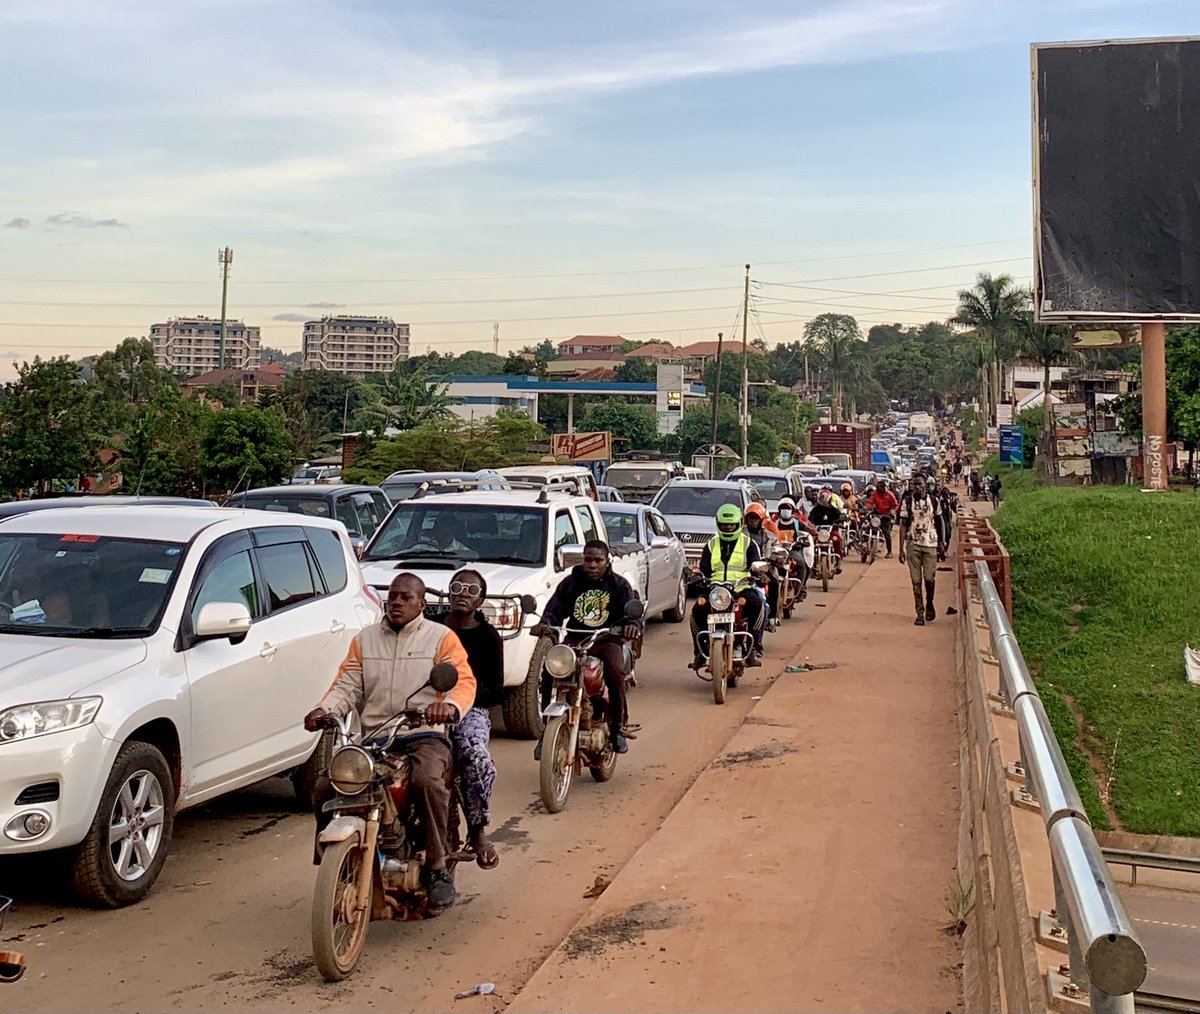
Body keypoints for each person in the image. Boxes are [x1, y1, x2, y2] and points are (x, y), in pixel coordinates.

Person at [304, 573, 476, 909]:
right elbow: (348, 684)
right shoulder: (365, 639)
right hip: (375, 736)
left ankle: (437, 867)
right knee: (327, 786)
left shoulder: (441, 638)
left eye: (405, 597)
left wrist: (449, 706)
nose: (396, 602)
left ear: (421, 603)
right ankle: (333, 862)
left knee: (428, 782)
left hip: (422, 734)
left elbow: (463, 682)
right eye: (392, 596)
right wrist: (324, 709)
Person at [537, 540, 643, 754]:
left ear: (607, 561)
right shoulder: (571, 583)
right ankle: (546, 730)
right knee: (550, 671)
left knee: (615, 673)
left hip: (607, 640)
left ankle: (616, 730)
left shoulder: (619, 585)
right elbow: (554, 609)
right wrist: (546, 623)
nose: (592, 565)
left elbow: (632, 614)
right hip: (576, 640)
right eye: (588, 560)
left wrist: (631, 625)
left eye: (598, 560)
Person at [437, 569, 502, 870]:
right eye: (457, 587)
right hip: (424, 708)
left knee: (477, 759)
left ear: (480, 601)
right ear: (448, 593)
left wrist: (460, 701)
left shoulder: (488, 637)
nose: (463, 593)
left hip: (469, 710)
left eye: (471, 590)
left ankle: (477, 831)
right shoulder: (431, 628)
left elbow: (495, 690)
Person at [690, 503, 767, 669]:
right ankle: (699, 653)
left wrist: (759, 574)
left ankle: (753, 648)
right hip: (716, 591)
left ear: (739, 524)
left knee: (758, 605)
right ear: (718, 524)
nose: (728, 528)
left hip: (741, 589)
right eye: (725, 525)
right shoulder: (711, 544)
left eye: (731, 525)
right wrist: (697, 577)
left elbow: (756, 564)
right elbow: (703, 568)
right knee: (697, 609)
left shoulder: (749, 544)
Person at [898, 476, 944, 626]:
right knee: (916, 581)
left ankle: (929, 602)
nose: (916, 487)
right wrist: (901, 549)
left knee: (929, 579)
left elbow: (939, 520)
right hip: (913, 545)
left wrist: (942, 542)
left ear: (925, 486)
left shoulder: (934, 500)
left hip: (930, 544)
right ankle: (920, 612)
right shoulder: (907, 502)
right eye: (914, 485)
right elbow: (903, 524)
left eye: (919, 484)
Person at [743, 502, 780, 624]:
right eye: (750, 518)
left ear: (761, 520)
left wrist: (775, 558)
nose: (753, 521)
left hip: (765, 567)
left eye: (756, 518)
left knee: (774, 583)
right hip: (745, 568)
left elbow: (777, 549)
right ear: (746, 519)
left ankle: (772, 617)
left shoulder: (770, 537)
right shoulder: (740, 535)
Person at [772, 496, 815, 597]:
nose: (785, 511)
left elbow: (806, 533)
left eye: (787, 508)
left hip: (793, 551)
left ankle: (799, 589)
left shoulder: (797, 523)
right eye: (783, 508)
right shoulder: (774, 523)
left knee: (802, 564)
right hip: (778, 552)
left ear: (792, 510)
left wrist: (804, 541)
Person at [807, 487, 845, 573]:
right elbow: (809, 519)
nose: (823, 500)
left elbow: (840, 518)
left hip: (831, 532)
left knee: (837, 539)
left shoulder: (834, 510)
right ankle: (811, 563)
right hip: (818, 533)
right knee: (810, 542)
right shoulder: (815, 510)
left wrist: (840, 522)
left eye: (825, 498)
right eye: (822, 498)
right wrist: (809, 525)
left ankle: (838, 560)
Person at [865, 477, 900, 558]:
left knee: (887, 533)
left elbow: (895, 505)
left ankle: (889, 552)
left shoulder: (890, 495)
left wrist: (892, 511)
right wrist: (867, 507)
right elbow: (870, 502)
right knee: (868, 526)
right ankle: (865, 542)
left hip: (886, 515)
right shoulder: (875, 493)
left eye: (881, 488)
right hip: (876, 513)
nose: (879, 490)